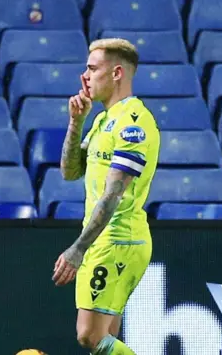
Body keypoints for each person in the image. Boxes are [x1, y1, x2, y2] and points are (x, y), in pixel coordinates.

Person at [51, 38, 160, 355]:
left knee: (89, 336)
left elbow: (113, 194)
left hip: (117, 241)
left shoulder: (133, 124)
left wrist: (77, 249)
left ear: (116, 73)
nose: (84, 76)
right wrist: (76, 121)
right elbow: (70, 172)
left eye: (92, 68)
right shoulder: (103, 120)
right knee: (106, 338)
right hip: (105, 241)